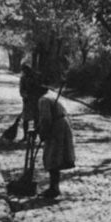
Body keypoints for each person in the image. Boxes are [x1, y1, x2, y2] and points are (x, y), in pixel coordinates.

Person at [22, 70, 75, 199]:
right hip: (60, 125)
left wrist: (42, 133)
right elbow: (46, 118)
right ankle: (54, 187)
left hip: (57, 128)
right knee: (54, 157)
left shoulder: (43, 100)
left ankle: (54, 189)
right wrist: (37, 129)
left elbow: (46, 119)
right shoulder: (50, 95)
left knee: (53, 158)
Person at [19, 63, 39, 140]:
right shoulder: (23, 78)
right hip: (27, 101)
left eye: (27, 70)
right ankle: (25, 136)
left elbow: (40, 88)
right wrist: (25, 96)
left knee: (36, 118)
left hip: (36, 100)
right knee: (25, 119)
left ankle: (35, 135)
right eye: (24, 70)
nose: (26, 72)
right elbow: (21, 90)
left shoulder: (36, 77)